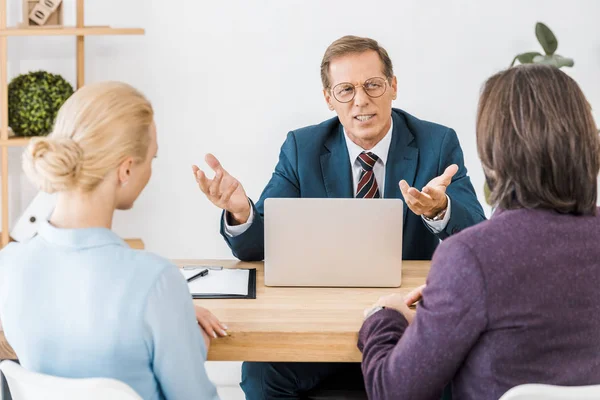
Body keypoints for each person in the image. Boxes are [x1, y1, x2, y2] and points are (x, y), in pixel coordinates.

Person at [193, 35, 486, 399]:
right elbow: (258, 245)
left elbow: (477, 233)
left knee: (452, 373)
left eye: (373, 85)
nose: (361, 100)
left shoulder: (437, 143)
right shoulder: (302, 147)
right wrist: (240, 211)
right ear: (329, 99)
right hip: (319, 317)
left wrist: (440, 209)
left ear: (393, 87)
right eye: (345, 90)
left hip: (409, 322)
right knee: (261, 371)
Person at [359, 64, 600, 400]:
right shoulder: (473, 263)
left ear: (494, 156)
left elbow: (391, 392)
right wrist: (452, 296)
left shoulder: (472, 256)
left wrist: (385, 318)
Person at [0, 82, 224, 400]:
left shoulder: (9, 264)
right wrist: (184, 340)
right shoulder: (156, 280)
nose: (150, 171)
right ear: (127, 169)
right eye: (152, 159)